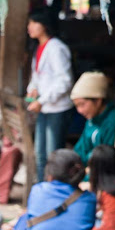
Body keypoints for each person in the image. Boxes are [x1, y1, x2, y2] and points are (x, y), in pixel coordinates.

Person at [25, 11, 74, 182]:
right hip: (45, 108)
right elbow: (37, 77)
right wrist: (32, 89)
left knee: (52, 156)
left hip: (57, 109)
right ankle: (41, 189)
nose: (29, 27)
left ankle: (53, 192)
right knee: (40, 155)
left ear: (44, 25)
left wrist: (42, 100)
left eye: (33, 23)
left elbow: (65, 81)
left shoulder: (56, 48)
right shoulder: (39, 48)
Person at [71, 72, 115, 166]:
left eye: (82, 104)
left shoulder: (112, 121)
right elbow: (80, 150)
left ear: (98, 101)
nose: (79, 110)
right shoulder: (91, 121)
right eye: (77, 106)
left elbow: (106, 159)